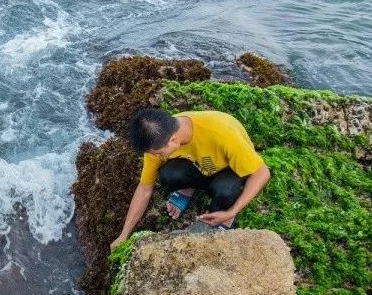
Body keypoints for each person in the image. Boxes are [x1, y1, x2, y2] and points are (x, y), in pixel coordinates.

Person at [109, 107, 271, 250]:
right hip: (200, 165)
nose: (153, 157)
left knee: (225, 191)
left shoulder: (222, 132)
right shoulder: (160, 137)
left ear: (173, 140)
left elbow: (262, 173)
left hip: (228, 169)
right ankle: (187, 190)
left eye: (157, 153)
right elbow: (145, 188)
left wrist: (232, 211)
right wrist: (124, 235)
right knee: (168, 174)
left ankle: (224, 215)